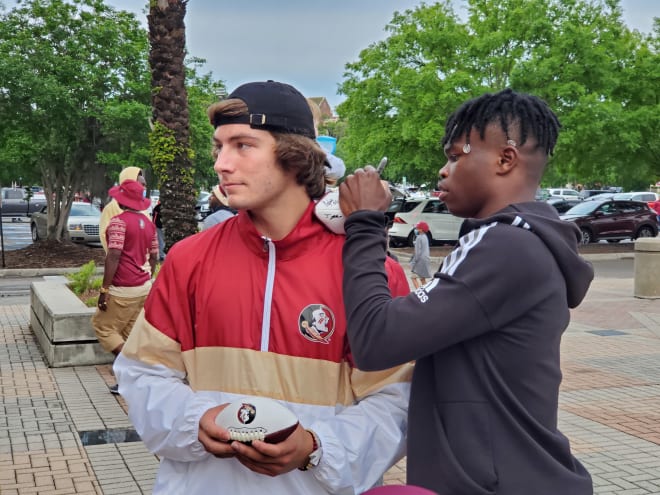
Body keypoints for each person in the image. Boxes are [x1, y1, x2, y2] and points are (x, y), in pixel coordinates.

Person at [113, 80, 412, 494]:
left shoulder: (368, 271)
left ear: (294, 156)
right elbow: (143, 373)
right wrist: (195, 421)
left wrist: (315, 446)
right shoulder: (188, 259)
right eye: (219, 147)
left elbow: (397, 403)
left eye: (243, 145)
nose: (221, 163)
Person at [339, 88, 594, 494]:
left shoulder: (504, 244)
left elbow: (376, 339)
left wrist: (366, 224)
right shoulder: (514, 241)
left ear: (505, 159)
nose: (443, 170)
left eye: (456, 156)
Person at [92, 179, 158, 394]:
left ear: (122, 200)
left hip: (123, 288)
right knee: (129, 335)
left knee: (103, 327)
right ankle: (127, 382)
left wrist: (104, 290)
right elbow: (155, 255)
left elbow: (113, 255)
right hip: (143, 285)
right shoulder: (149, 224)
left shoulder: (119, 222)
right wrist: (148, 274)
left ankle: (136, 369)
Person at [99, 166, 149, 252]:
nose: (144, 188)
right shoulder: (112, 208)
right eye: (142, 184)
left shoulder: (143, 208)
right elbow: (104, 235)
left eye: (145, 185)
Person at [409, 221, 432, 289]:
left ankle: (418, 292)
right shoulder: (425, 237)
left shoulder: (419, 238)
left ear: (421, 229)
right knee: (422, 279)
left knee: (413, 277)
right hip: (425, 260)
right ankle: (426, 291)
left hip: (419, 261)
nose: (416, 229)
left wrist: (413, 262)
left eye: (417, 228)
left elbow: (417, 252)